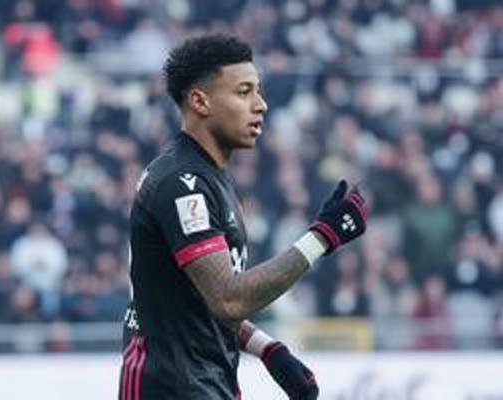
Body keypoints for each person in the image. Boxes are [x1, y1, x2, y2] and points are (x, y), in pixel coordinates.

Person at [118, 33, 368, 400]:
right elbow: (227, 299)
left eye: (259, 91)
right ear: (200, 101)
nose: (261, 105)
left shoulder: (207, 176)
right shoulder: (181, 182)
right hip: (169, 388)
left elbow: (196, 302)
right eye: (244, 92)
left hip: (203, 383)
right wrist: (321, 238)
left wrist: (267, 348)